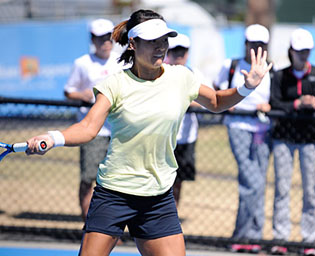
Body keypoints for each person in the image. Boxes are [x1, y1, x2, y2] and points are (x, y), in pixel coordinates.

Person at [26, 9, 272, 256]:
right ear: (132, 44)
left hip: (158, 197)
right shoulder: (115, 84)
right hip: (114, 193)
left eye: (164, 40)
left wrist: (246, 87)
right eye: (152, 41)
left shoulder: (181, 77)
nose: (160, 47)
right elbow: (88, 127)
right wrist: (53, 137)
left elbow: (217, 101)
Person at [213, 24, 272, 254]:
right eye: (252, 44)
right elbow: (216, 91)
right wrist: (227, 104)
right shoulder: (231, 66)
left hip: (263, 129)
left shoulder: (271, 70)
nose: (256, 49)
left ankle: (254, 237)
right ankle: (242, 235)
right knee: (252, 182)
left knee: (255, 183)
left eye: (261, 45)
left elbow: (275, 97)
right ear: (245, 44)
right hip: (237, 126)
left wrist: (269, 106)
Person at [269, 28, 315, 256]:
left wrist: (314, 102)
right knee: (282, 189)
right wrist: (296, 104)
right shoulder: (280, 75)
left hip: (310, 139)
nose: (304, 55)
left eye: (307, 51)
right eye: (300, 51)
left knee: (310, 190)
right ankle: (280, 237)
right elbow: (274, 102)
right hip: (284, 138)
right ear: (291, 51)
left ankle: (310, 239)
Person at [63, 18, 123, 222]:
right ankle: (87, 223)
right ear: (92, 39)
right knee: (88, 178)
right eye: (101, 38)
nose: (106, 42)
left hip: (118, 130)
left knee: (117, 181)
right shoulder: (82, 63)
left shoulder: (121, 60)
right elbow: (69, 91)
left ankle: (112, 222)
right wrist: (85, 95)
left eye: (109, 38)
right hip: (92, 131)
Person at [165, 33, 212, 205]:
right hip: (162, 136)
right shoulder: (160, 72)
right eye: (175, 51)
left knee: (178, 181)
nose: (179, 55)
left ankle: (172, 216)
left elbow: (210, 100)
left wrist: (190, 102)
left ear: (187, 53)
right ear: (168, 52)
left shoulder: (195, 74)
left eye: (182, 51)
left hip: (186, 137)